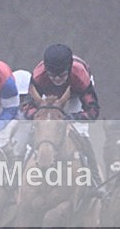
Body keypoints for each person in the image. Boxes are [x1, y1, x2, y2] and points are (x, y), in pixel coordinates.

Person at [24, 43, 103, 188]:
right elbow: (27, 107)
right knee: (35, 131)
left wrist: (72, 118)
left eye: (61, 75)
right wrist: (41, 117)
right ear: (46, 71)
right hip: (49, 96)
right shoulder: (38, 75)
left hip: (76, 94)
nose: (57, 79)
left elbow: (93, 111)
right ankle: (19, 177)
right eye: (53, 75)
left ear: (69, 70)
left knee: (81, 132)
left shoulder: (80, 76)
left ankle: (95, 180)